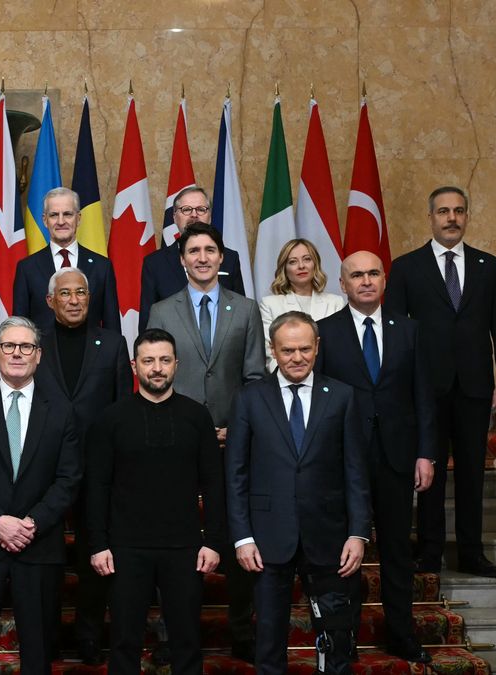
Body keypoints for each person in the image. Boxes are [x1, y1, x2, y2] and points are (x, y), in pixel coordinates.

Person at [226, 311, 371, 675]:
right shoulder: (249, 398)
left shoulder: (341, 396)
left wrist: (358, 533)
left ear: (317, 347)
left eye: (305, 349)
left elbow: (355, 470)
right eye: (288, 350)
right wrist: (242, 537)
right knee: (270, 638)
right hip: (267, 536)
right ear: (272, 350)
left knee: (336, 637)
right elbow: (236, 473)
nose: (297, 358)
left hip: (329, 536)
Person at [384, 186, 496, 578]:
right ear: (431, 217)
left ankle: (471, 553)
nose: (451, 218)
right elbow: (395, 329)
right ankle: (429, 551)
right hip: (425, 389)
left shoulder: (488, 266)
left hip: (476, 387)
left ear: (466, 216)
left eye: (459, 211)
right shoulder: (407, 267)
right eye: (444, 211)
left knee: (473, 472)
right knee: (428, 471)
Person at [146, 221, 264, 662]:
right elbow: (156, 372)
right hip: (176, 438)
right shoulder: (161, 310)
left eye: (209, 250)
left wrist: (238, 426)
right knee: (173, 540)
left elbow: (254, 376)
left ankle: (241, 630)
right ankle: (171, 634)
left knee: (234, 537)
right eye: (193, 250)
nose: (201, 257)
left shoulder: (246, 309)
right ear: (182, 259)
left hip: (234, 440)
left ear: (221, 258)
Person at [316, 251, 435, 664]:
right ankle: (341, 635)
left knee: (398, 551)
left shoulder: (409, 331)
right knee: (343, 553)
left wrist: (426, 454)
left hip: (397, 459)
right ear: (342, 282)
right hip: (342, 461)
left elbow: (424, 396)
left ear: (384, 280)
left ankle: (402, 633)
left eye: (372, 274)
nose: (365, 281)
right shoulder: (324, 333)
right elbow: (320, 401)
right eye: (356, 275)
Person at [87, 328, 226, 675]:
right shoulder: (111, 419)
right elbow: (97, 485)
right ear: (135, 366)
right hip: (125, 548)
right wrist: (98, 543)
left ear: (177, 364)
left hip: (185, 547)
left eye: (165, 360)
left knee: (187, 640)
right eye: (149, 361)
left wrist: (214, 542)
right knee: (123, 640)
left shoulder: (197, 417)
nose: (157, 368)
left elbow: (214, 483)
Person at [0, 316, 82, 675]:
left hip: (38, 547)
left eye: (26, 347)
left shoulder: (62, 410)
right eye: (9, 346)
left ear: (38, 355)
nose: (17, 353)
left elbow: (69, 479)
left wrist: (30, 524)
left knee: (38, 654)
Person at [32, 267, 129, 665]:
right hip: (45, 468)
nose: (74, 300)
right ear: (50, 301)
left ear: (90, 298)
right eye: (65, 294)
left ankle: (89, 634)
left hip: (98, 468)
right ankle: (47, 636)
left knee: (95, 556)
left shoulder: (113, 343)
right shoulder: (34, 344)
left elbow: (123, 407)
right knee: (46, 558)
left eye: (81, 293)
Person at [139, 186, 246, 333]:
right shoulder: (155, 263)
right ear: (174, 216)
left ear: (209, 215)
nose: (194, 215)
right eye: (187, 209)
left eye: (201, 209)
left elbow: (241, 314)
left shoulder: (229, 258)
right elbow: (148, 324)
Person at [13, 188, 120, 330]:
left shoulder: (102, 266)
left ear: (79, 218)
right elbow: (19, 328)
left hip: (91, 351)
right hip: (44, 351)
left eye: (68, 214)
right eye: (54, 215)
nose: (61, 221)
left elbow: (112, 326)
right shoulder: (27, 268)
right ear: (45, 220)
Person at [258, 238, 345, 370]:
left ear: (315, 264)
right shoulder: (270, 304)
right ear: (284, 268)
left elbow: (340, 349)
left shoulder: (336, 302)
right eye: (293, 262)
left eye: (307, 259)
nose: (301, 266)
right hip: (287, 379)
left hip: (330, 379)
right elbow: (270, 353)